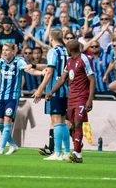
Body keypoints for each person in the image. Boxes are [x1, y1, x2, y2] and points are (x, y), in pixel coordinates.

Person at [44, 39, 95, 163]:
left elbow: (92, 80)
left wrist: (90, 99)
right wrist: (51, 91)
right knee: (71, 126)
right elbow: (62, 79)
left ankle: (77, 154)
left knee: (78, 123)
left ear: (70, 49)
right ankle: (78, 146)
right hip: (71, 97)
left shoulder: (85, 59)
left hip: (82, 97)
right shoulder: (69, 61)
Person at [32, 29, 69, 160]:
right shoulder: (66, 51)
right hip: (66, 90)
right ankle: (67, 152)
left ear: (51, 38)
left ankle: (57, 152)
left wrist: (40, 89)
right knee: (63, 121)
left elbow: (49, 72)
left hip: (56, 89)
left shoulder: (53, 52)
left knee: (56, 121)